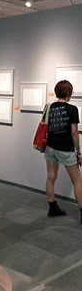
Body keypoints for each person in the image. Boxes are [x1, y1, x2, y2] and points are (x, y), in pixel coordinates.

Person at [45, 80, 82, 223]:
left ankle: (52, 207)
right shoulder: (72, 109)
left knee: (50, 176)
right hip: (66, 149)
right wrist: (78, 152)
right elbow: (74, 133)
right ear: (68, 93)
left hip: (51, 147)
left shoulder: (50, 107)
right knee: (77, 181)